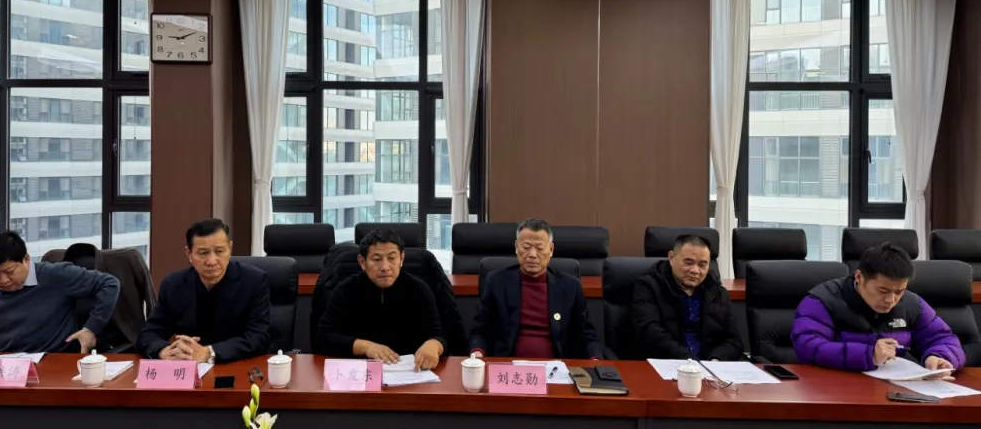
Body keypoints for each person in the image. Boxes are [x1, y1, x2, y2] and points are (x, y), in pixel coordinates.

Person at [792, 242, 965, 372]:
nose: (891, 300)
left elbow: (942, 338)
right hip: (837, 388)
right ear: (859, 277)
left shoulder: (912, 304)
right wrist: (868, 354)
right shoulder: (823, 300)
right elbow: (808, 346)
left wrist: (940, 357)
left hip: (896, 389)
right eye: (883, 290)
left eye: (899, 291)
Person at [136, 219, 272, 364]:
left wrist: (209, 352)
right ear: (189, 254)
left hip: (236, 367)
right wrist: (164, 351)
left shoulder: (254, 281)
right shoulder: (173, 285)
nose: (212, 261)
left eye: (219, 251)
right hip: (189, 369)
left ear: (230, 249)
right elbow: (148, 335)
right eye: (203, 253)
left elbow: (259, 337)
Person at [0, 231, 120, 354]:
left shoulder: (56, 275)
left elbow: (109, 283)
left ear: (26, 259)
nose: (3, 280)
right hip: (10, 369)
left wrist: (91, 329)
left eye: (9, 271)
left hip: (56, 362)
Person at [470, 219, 604, 359]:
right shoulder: (497, 281)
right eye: (526, 247)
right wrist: (477, 352)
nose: (532, 254)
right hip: (508, 365)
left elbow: (586, 335)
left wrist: (594, 358)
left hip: (556, 366)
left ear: (551, 250)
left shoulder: (571, 286)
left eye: (539, 248)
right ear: (516, 247)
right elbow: (480, 329)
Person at [314, 229, 447, 370]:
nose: (385, 267)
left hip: (409, 373)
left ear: (401, 259)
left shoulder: (419, 289)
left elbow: (441, 335)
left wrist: (434, 345)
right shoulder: (346, 290)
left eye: (392, 258)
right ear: (362, 262)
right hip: (359, 373)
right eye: (376, 260)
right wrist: (365, 347)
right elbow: (321, 339)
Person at [630, 234, 743, 360]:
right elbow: (649, 333)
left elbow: (734, 341)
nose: (695, 270)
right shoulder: (649, 286)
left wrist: (715, 359)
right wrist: (690, 361)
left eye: (702, 265)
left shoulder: (717, 292)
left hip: (710, 365)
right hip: (667, 363)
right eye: (688, 262)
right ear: (671, 258)